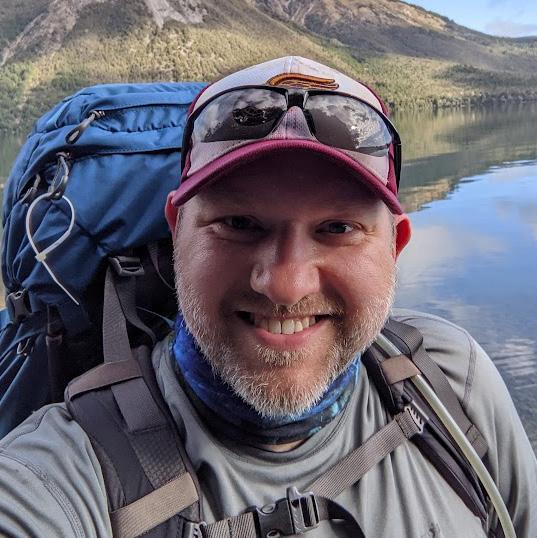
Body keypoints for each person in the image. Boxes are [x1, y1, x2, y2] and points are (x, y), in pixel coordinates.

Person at [0, 56, 535, 538]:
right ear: (177, 233)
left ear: (394, 247)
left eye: (337, 228)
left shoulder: (450, 384)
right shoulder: (56, 479)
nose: (286, 285)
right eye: (239, 223)